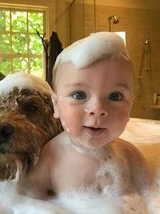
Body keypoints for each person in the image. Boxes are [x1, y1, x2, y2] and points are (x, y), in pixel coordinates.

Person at [20, 32, 153, 200]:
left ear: (130, 107)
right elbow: (26, 200)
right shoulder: (51, 157)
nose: (97, 109)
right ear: (56, 106)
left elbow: (152, 196)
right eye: (79, 95)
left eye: (115, 96)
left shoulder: (130, 155)